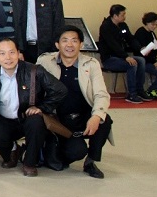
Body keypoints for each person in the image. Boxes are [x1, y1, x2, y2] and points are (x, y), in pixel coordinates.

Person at [0, 38, 67, 177]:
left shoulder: (35, 71)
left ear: (18, 53)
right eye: (2, 53)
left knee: (36, 122)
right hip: (5, 120)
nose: (8, 57)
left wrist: (42, 107)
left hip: (27, 118)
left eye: (12, 52)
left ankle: (30, 162)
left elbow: (60, 90)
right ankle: (13, 151)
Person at [37, 25, 113, 178]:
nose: (69, 45)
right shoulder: (45, 61)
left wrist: (96, 116)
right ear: (57, 44)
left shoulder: (91, 64)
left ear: (81, 44)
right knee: (76, 152)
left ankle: (91, 161)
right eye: (65, 40)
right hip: (58, 119)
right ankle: (55, 149)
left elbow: (101, 94)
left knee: (104, 120)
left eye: (74, 41)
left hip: (82, 115)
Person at [98, 4, 151, 104]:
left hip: (121, 57)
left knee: (141, 60)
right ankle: (132, 94)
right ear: (115, 16)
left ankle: (140, 90)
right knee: (131, 64)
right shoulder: (105, 27)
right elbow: (113, 45)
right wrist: (126, 56)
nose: (124, 17)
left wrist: (140, 48)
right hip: (109, 59)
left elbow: (130, 39)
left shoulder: (123, 25)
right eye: (122, 15)